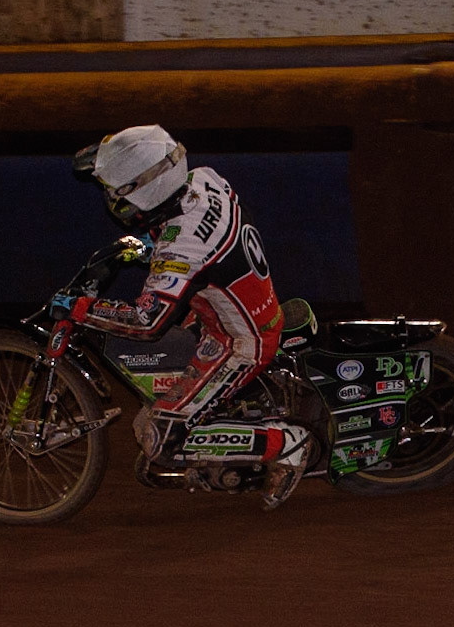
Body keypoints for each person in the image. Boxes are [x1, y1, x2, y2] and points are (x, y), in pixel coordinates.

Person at [61, 125, 297, 473]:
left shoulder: (181, 246)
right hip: (223, 310)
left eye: (115, 191)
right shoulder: (204, 179)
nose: (111, 197)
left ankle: (287, 445)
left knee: (158, 436)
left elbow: (147, 322)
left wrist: (79, 307)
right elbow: (191, 246)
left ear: (143, 191)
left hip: (240, 343)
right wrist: (141, 250)